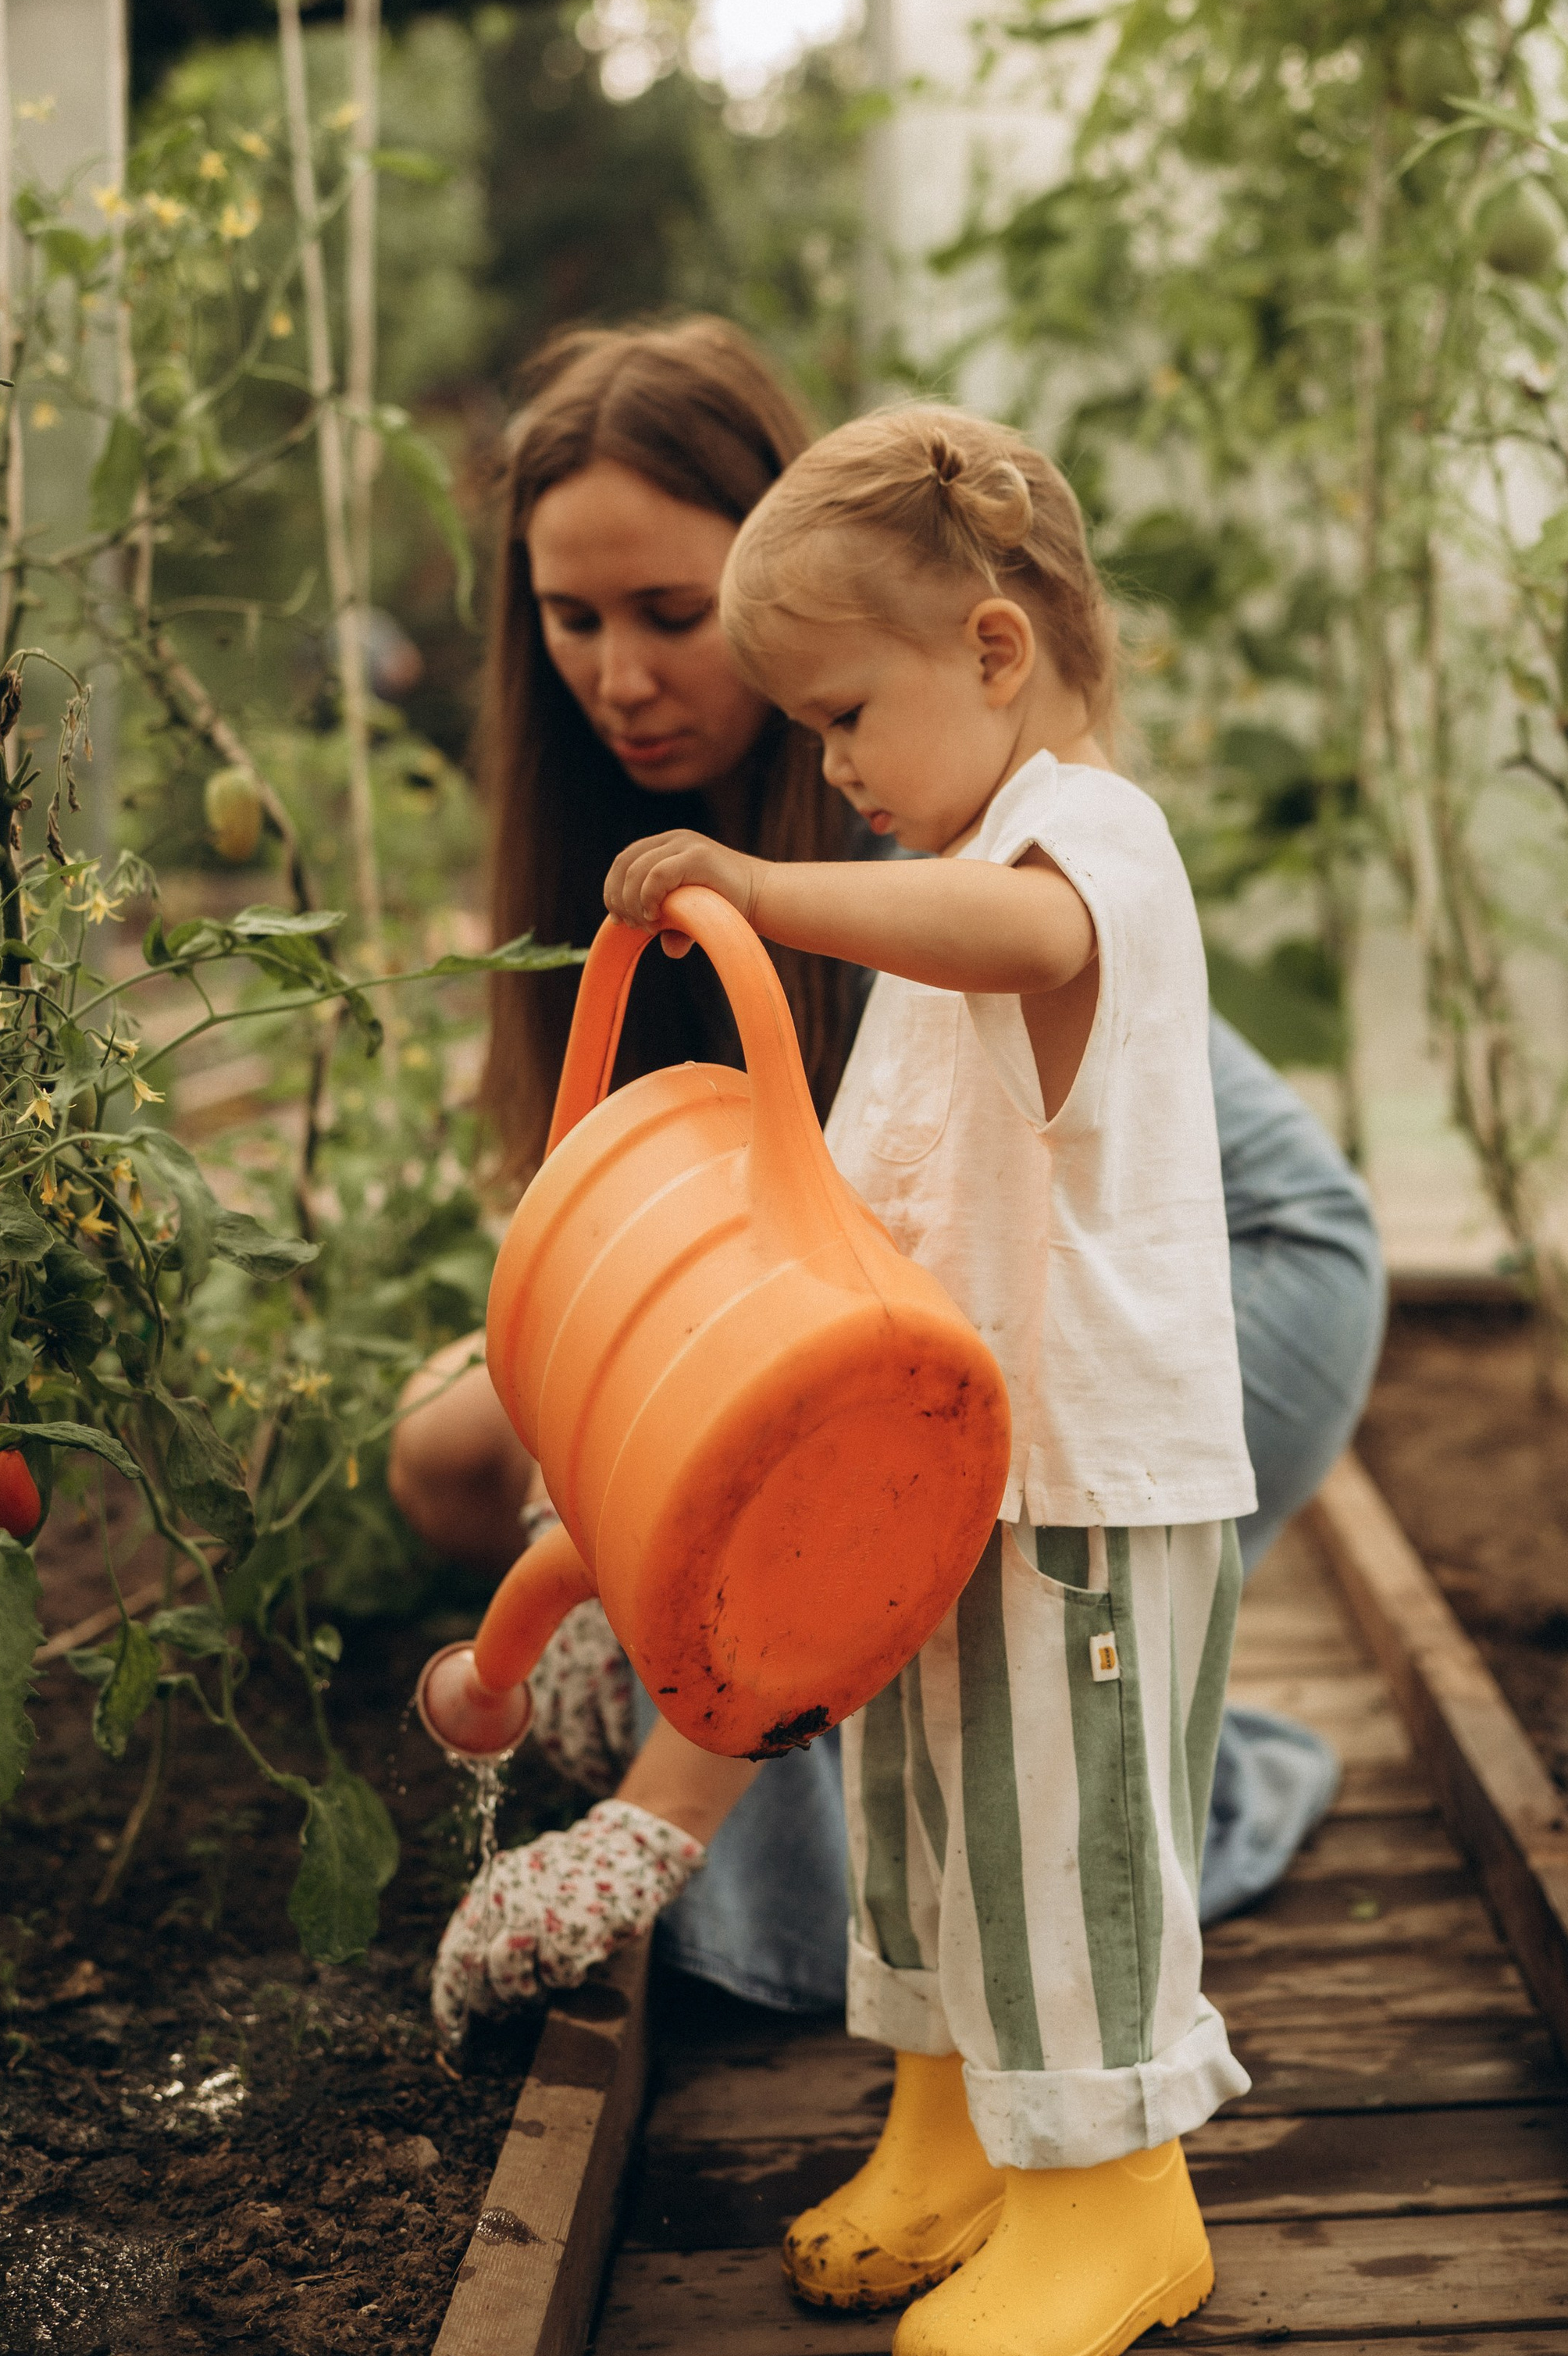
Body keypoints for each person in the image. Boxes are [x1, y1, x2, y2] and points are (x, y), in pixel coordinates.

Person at [391, 316, 1383, 2017]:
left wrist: (655, 1810)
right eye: (572, 618)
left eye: (671, 614)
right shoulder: (671, 830)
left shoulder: (928, 840)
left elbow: (857, 1367)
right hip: (950, 1283)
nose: (618, 676)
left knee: (929, 1728)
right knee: (459, 1436)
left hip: (1229, 1280)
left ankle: (1081, 1821)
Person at [445, 406, 1262, 2356]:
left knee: (1060, 1843)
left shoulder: (1077, 842)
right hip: (948, 1474)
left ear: (992, 648)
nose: (827, 767)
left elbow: (1021, 938)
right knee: (927, 1826)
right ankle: (952, 2129)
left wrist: (757, 884)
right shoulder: (960, 853)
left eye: (842, 716)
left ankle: (1116, 2194)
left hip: (1084, 1484)